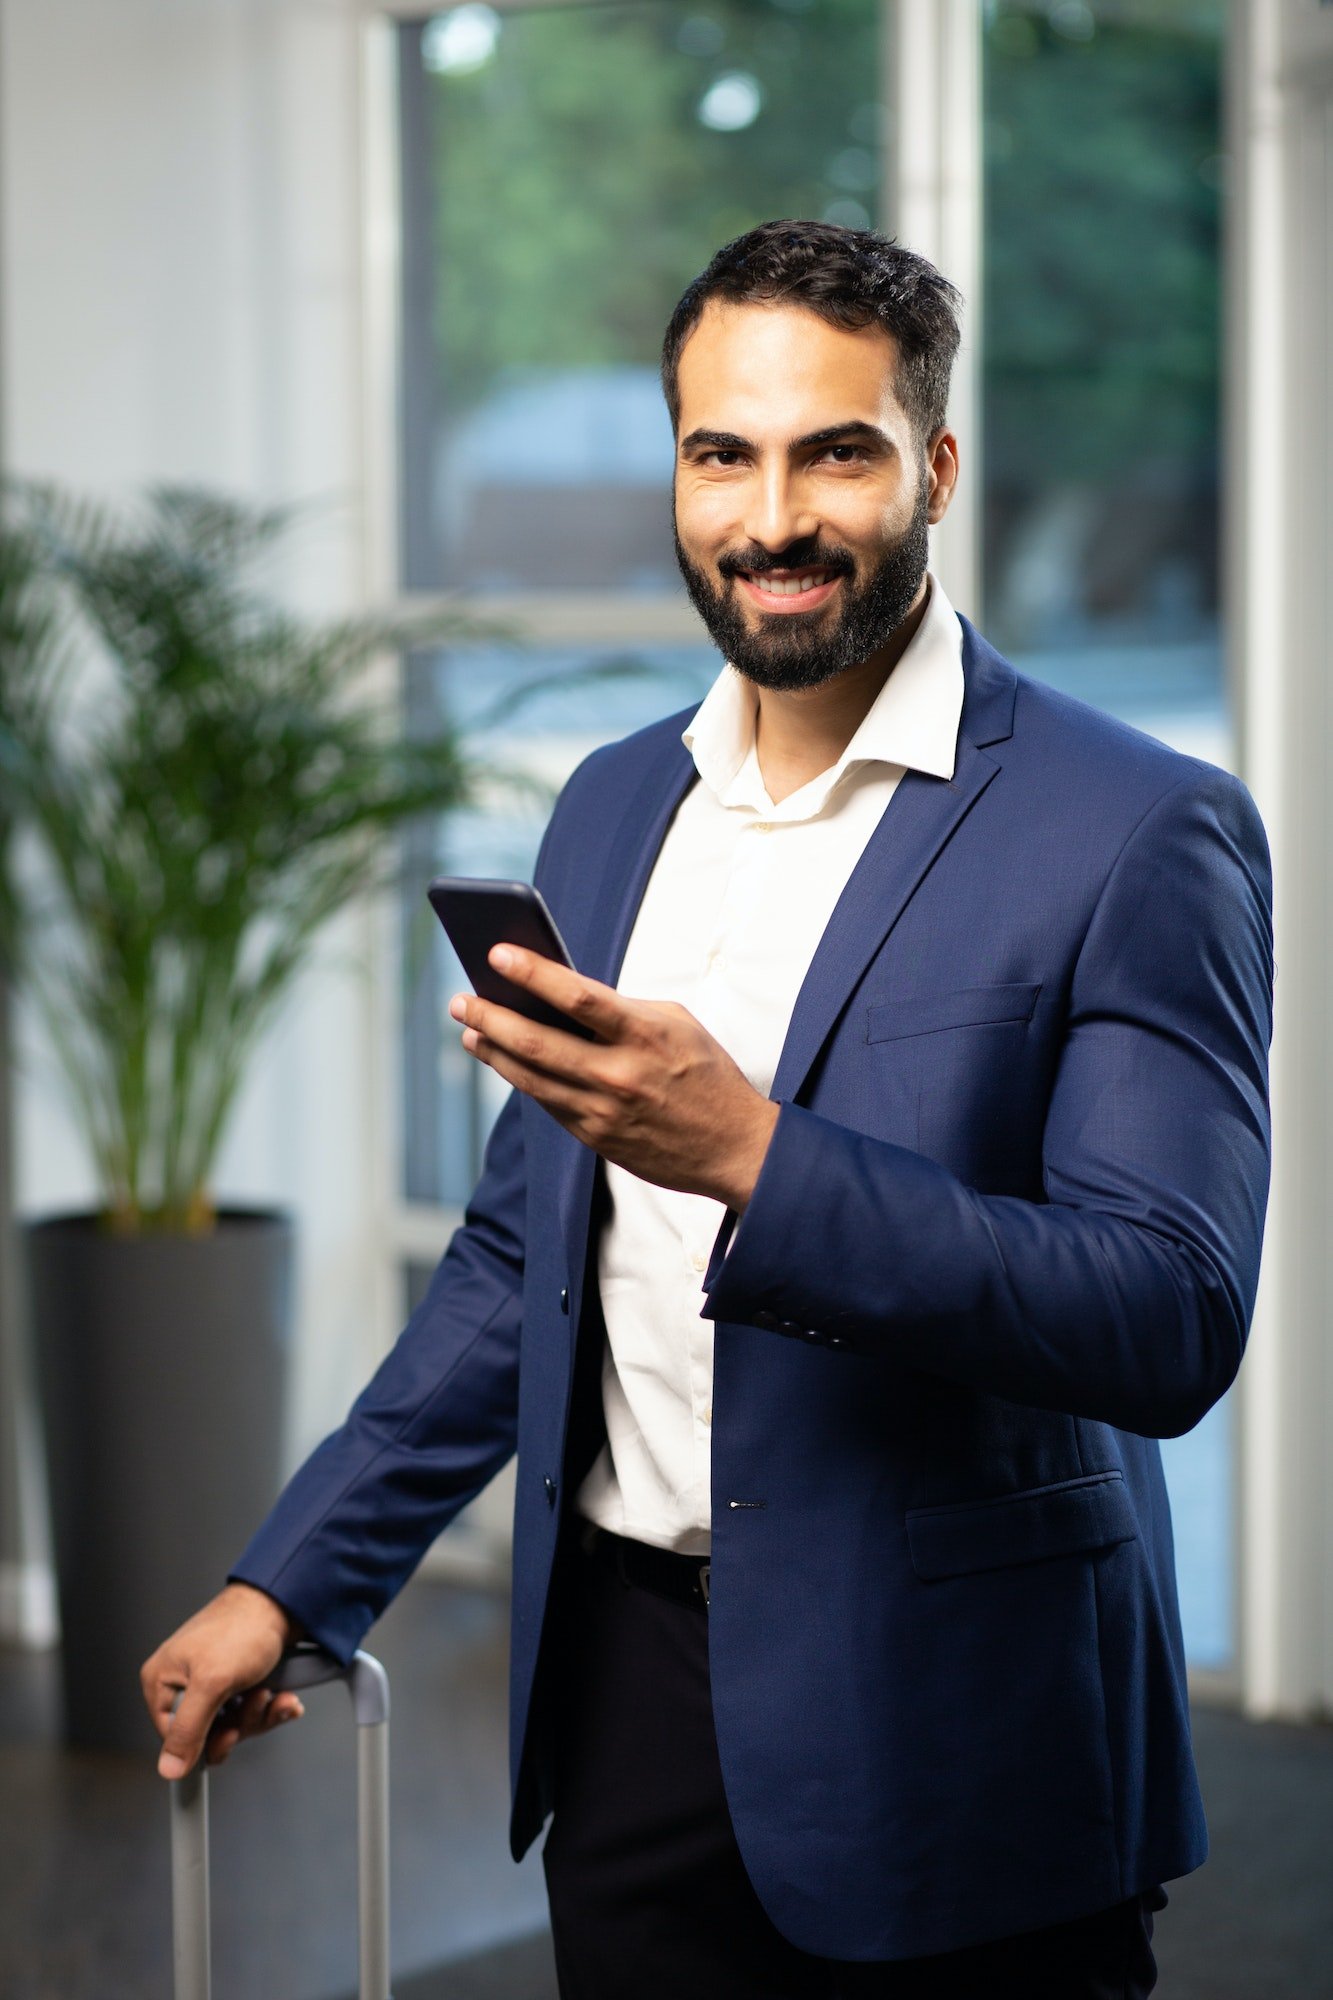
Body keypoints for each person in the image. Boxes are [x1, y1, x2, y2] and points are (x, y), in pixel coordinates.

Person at [142, 221, 1273, 1999]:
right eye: (719, 454)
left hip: (962, 1733)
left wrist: (748, 1152)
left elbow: (1164, 1315)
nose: (771, 520)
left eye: (835, 450)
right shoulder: (605, 808)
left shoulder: (1137, 825)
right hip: (627, 1716)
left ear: (936, 466)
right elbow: (523, 1264)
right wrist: (291, 1582)